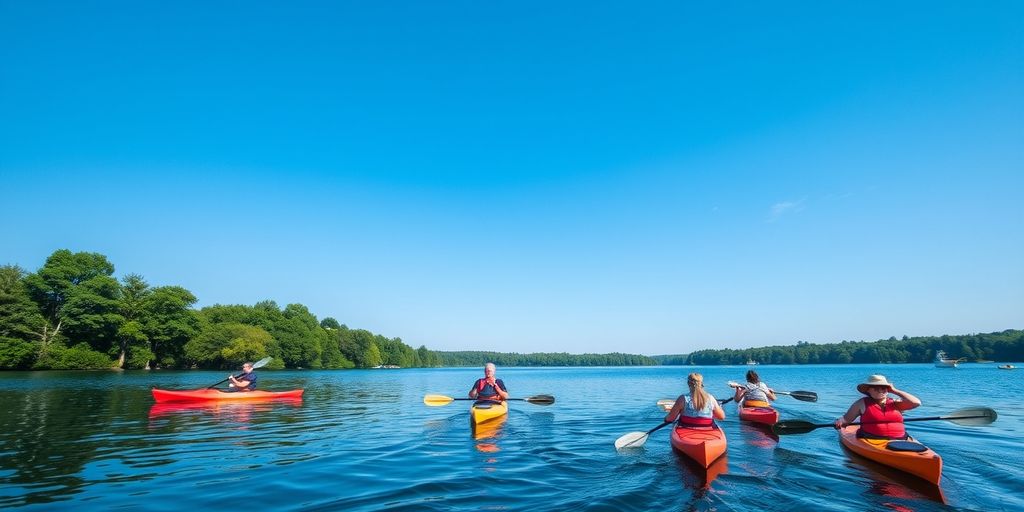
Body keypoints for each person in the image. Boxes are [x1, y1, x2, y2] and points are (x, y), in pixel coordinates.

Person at [833, 374, 921, 439]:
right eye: (876, 387)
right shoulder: (861, 403)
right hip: (872, 439)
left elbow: (916, 403)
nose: (880, 390)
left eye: (883, 388)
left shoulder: (895, 403)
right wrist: (840, 422)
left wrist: (894, 390)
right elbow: (846, 420)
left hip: (901, 439)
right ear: (868, 390)